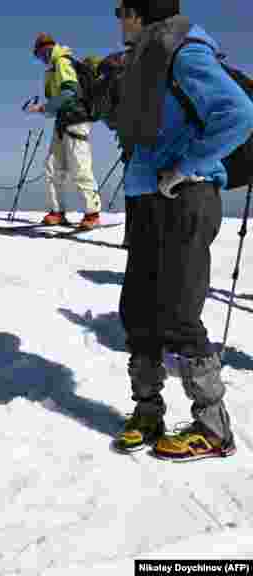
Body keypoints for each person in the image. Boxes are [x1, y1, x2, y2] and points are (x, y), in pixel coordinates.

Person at [111, 0, 253, 460]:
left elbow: (238, 113)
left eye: (120, 10)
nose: (117, 19)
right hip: (148, 199)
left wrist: (188, 166)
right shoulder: (146, 54)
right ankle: (147, 411)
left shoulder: (184, 50)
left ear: (138, 12)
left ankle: (213, 428)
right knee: (139, 308)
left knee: (178, 311)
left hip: (185, 197)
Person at [26, 33, 102, 229]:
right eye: (38, 55)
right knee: (52, 166)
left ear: (49, 48)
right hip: (63, 122)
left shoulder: (62, 62)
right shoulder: (53, 68)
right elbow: (59, 100)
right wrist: (44, 108)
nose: (41, 58)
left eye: (41, 53)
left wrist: (42, 108)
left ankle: (92, 213)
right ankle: (57, 211)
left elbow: (69, 92)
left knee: (79, 166)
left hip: (76, 120)